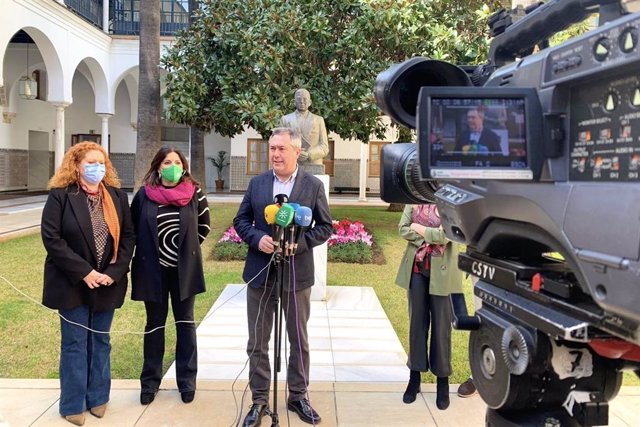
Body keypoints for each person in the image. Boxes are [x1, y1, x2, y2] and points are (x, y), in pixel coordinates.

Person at [233, 127, 333, 426]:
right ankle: (260, 400)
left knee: (298, 339)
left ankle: (298, 395)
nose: (275, 154)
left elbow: (325, 227)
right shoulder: (257, 183)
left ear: (296, 151)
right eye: (272, 148)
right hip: (261, 273)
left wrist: (298, 244)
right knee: (258, 341)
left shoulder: (313, 185)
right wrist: (256, 238)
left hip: (296, 273)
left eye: (281, 149)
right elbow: (241, 220)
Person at [41, 142, 135, 426]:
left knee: (100, 340)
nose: (98, 167)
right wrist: (85, 272)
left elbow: (129, 237)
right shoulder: (61, 196)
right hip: (72, 282)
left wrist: (114, 272)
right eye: (91, 162)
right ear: (76, 165)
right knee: (74, 343)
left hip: (107, 282)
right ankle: (72, 403)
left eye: (102, 162)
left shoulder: (117, 196)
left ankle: (98, 398)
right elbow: (52, 239)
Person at [130, 146, 210, 406]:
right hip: (152, 270)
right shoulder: (144, 195)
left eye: (177, 162)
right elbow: (132, 228)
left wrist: (185, 250)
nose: (172, 166)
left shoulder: (194, 193)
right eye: (167, 162)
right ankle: (150, 383)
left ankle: (187, 382)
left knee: (185, 323)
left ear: (184, 166)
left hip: (183, 270)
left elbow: (204, 225)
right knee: (154, 324)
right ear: (158, 166)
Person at [395, 203, 463, 410]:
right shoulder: (413, 201)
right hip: (416, 270)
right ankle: (414, 378)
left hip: (444, 272)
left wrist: (421, 229)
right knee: (417, 325)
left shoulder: (452, 202)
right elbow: (402, 228)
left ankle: (442, 381)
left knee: (442, 328)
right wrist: (432, 234)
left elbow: (447, 236)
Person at [279, 88, 329, 166]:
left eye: (305, 99)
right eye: (299, 99)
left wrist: (309, 154)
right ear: (294, 102)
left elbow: (324, 147)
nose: (302, 101)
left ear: (310, 102)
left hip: (314, 165)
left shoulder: (318, 120)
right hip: (292, 164)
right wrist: (294, 153)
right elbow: (280, 144)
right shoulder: (285, 120)